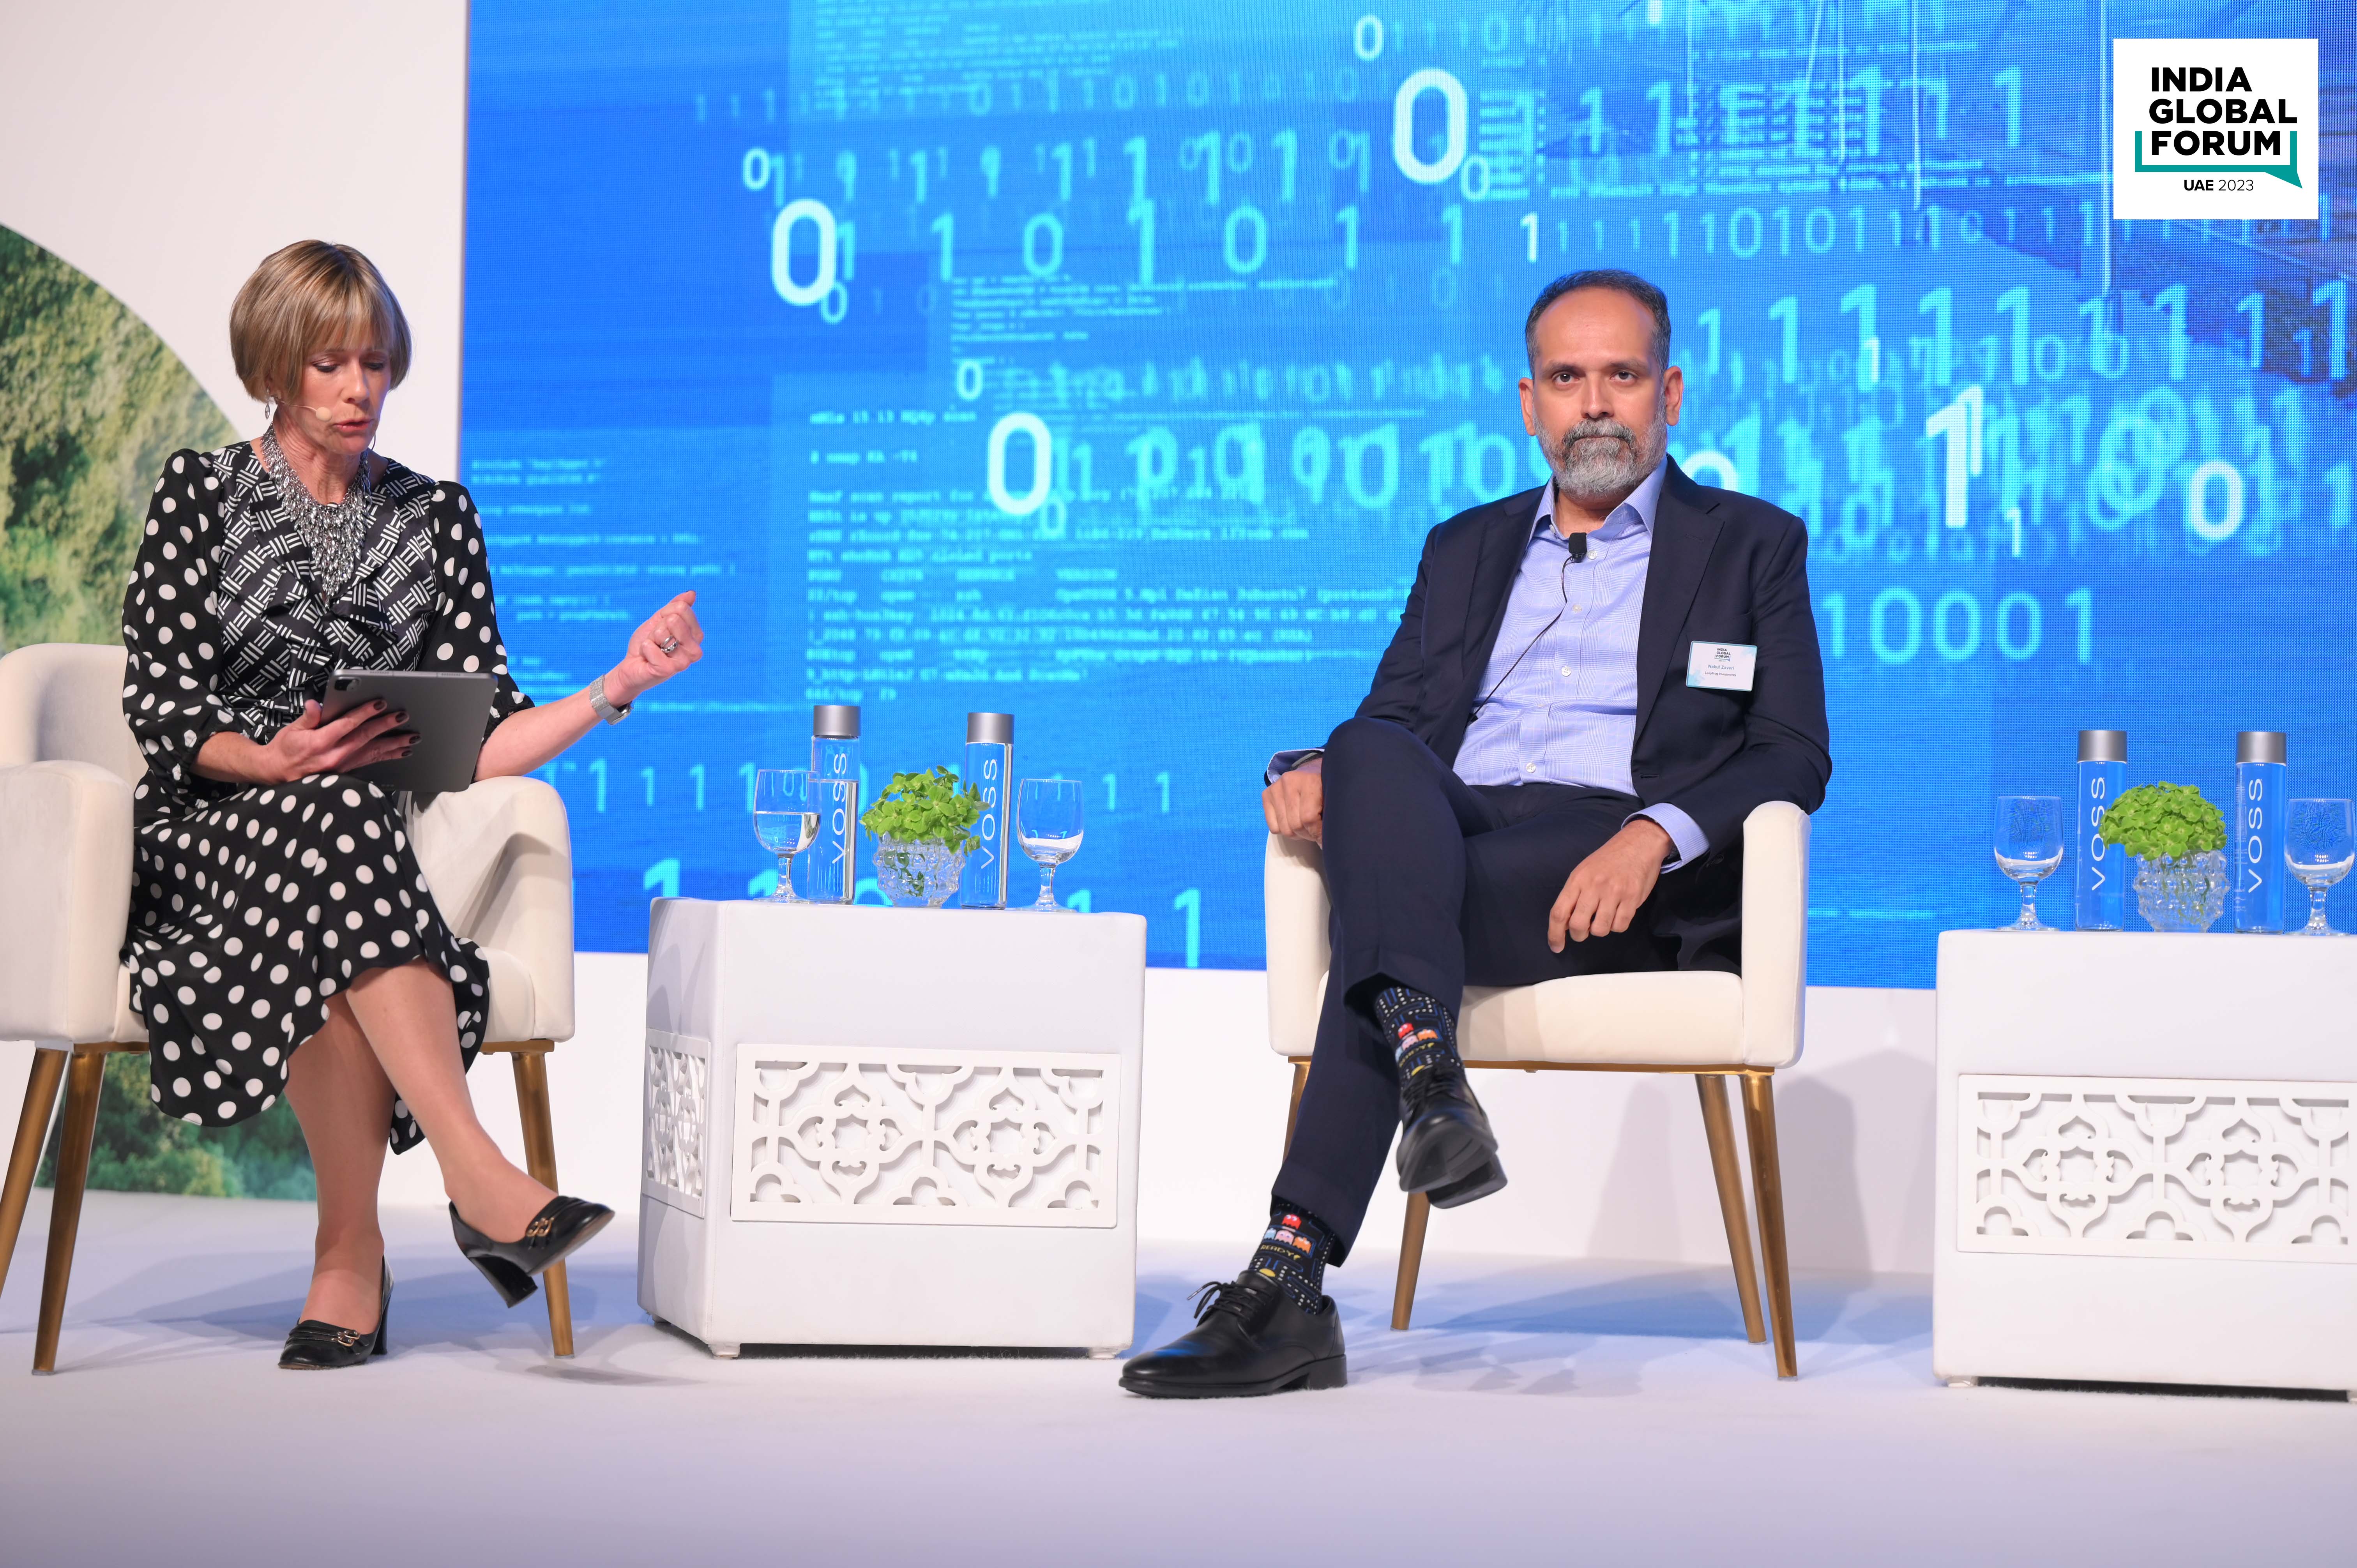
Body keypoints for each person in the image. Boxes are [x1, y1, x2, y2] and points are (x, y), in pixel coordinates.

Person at [1120, 269, 1830, 1398]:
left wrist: (1655, 835)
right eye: (1567, 378)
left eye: (1622, 376)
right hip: (1458, 826)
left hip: (1606, 853)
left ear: (1669, 394)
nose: (1594, 404)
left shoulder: (1751, 544)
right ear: (1529, 402)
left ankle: (1290, 1280)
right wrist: (1307, 773)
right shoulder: (1464, 545)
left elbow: (1792, 751)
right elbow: (1396, 725)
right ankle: (1429, 1070)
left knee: (1380, 928)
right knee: (1359, 745)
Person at [121, 240, 705, 1369]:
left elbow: (483, 738)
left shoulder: (434, 517)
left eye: (376, 364)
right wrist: (270, 759)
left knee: (342, 826)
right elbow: (161, 705)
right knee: (335, 811)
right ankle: (476, 1180)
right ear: (277, 367)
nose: (360, 389)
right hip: (208, 840)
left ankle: (350, 1257)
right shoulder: (200, 494)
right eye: (331, 365)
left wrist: (614, 688)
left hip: (353, 861)